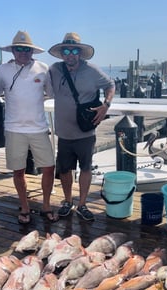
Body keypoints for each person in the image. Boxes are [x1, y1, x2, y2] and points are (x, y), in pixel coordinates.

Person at [47, 32, 115, 221]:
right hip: (64, 132)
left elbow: (110, 85)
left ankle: (82, 204)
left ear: (80, 53)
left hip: (86, 131)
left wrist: (106, 105)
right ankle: (67, 201)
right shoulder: (54, 69)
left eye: (74, 50)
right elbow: (41, 86)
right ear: (62, 53)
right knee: (65, 170)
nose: (70, 54)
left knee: (85, 168)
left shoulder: (92, 70)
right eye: (66, 50)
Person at [0, 31, 58, 224]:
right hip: (14, 129)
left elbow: (53, 93)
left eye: (26, 49)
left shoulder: (43, 68)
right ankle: (24, 206)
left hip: (39, 128)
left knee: (49, 167)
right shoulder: (1, 70)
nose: (22, 52)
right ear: (13, 50)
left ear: (32, 52)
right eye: (19, 48)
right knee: (18, 171)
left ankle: (46, 205)